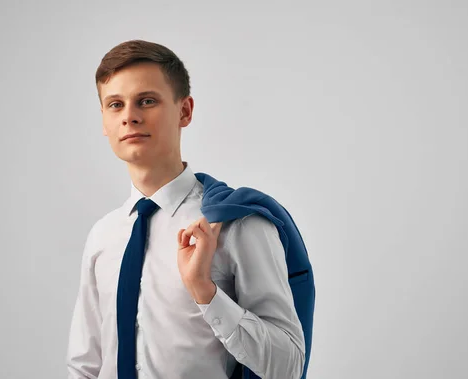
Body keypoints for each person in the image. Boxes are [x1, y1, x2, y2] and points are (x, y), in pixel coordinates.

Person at [66, 39, 306, 379]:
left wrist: (205, 292)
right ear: (104, 123)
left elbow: (288, 366)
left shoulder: (235, 223)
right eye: (115, 105)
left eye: (146, 101)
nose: (130, 117)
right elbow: (85, 365)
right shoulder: (103, 236)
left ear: (185, 111)